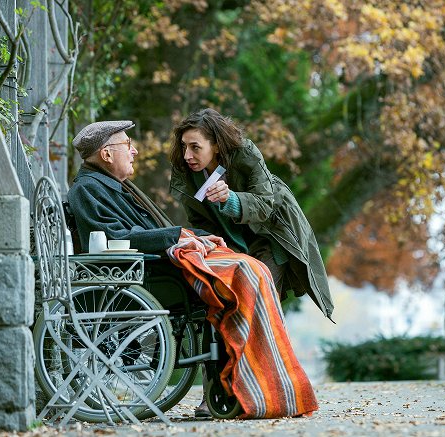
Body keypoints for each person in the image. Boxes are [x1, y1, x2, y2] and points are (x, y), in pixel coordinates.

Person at [67, 120, 319, 420]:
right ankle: (249, 386)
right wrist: (183, 236)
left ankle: (255, 384)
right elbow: (114, 237)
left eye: (194, 146)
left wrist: (197, 231)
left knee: (253, 274)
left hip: (234, 246)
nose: (134, 151)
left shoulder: (106, 186)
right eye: (127, 145)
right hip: (152, 274)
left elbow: (262, 204)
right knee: (245, 276)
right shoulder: (90, 189)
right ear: (107, 155)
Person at [169, 108, 334, 320]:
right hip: (233, 246)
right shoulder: (186, 172)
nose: (187, 155)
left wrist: (231, 199)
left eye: (195, 147)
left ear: (216, 146)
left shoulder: (245, 154)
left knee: (257, 308)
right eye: (184, 146)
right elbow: (200, 221)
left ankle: (268, 351)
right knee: (227, 306)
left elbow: (265, 204)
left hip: (271, 236)